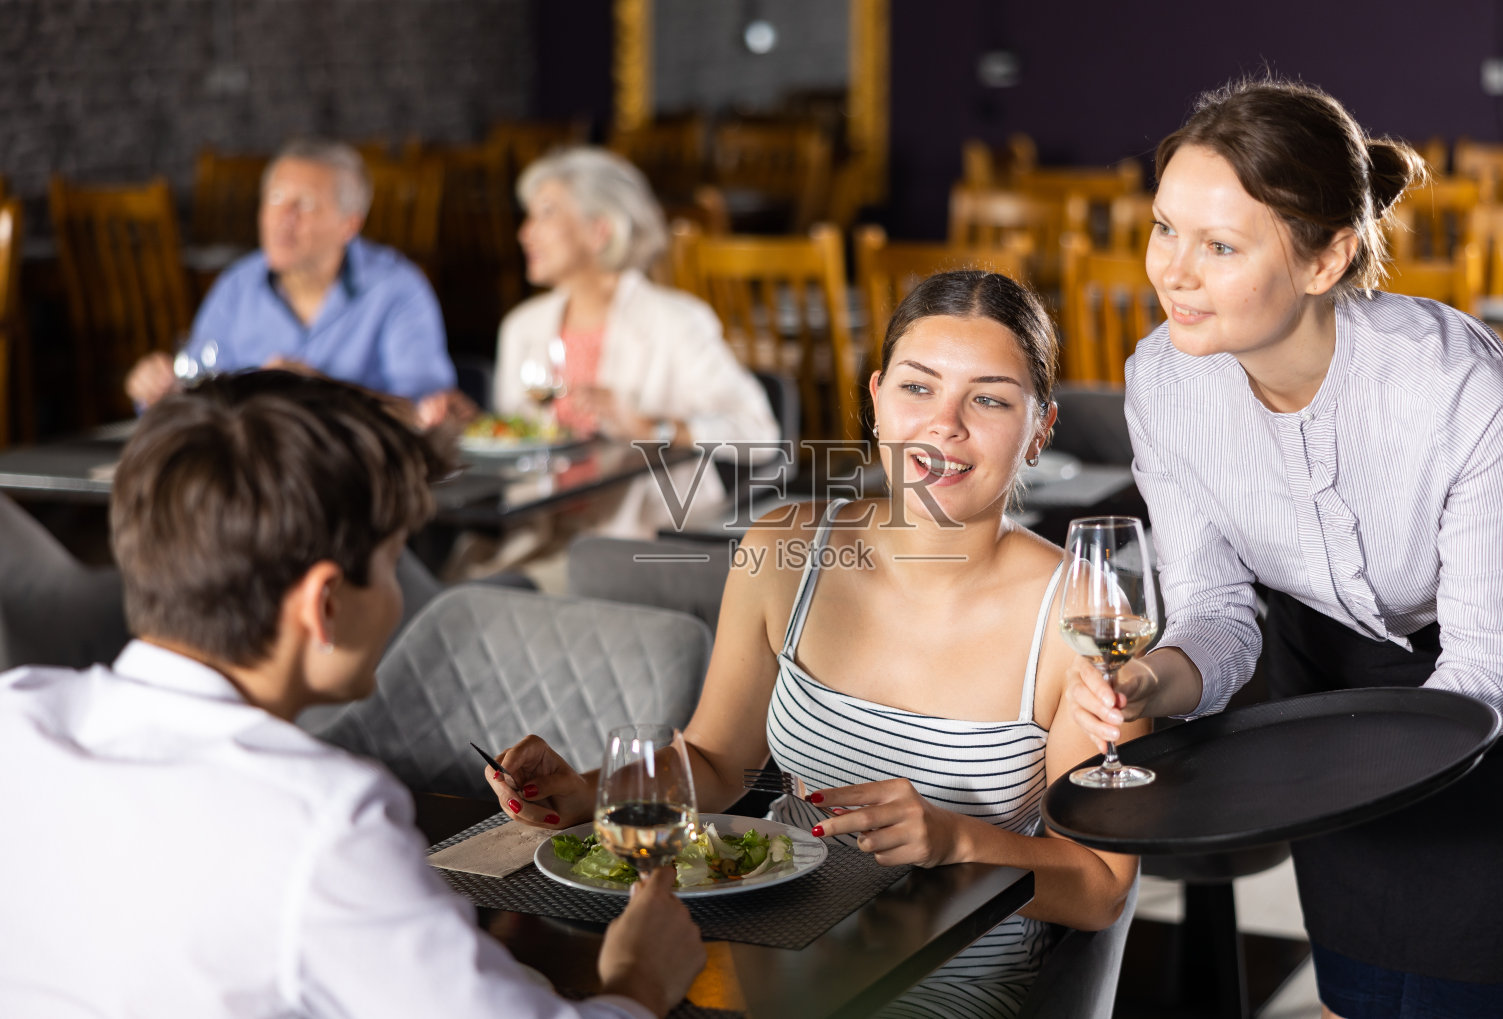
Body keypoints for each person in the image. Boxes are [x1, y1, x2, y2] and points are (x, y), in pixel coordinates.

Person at [1068, 78, 1503, 1019]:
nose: (1172, 272)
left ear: (1329, 260)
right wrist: (1156, 676)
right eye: (1164, 228)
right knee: (1356, 974)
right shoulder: (1163, 383)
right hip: (1336, 660)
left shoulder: (1449, 383)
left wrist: (1368, 772)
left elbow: (1482, 667)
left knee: (1468, 980)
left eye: (1220, 245)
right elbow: (1221, 616)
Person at [482, 271, 1144, 1017]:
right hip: (765, 962)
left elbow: (1101, 887)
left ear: (1040, 429)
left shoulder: (1082, 613)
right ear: (876, 399)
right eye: (917, 388)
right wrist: (590, 794)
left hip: (946, 985)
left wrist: (952, 839)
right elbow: (716, 762)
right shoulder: (785, 549)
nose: (944, 424)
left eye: (988, 398)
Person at [0, 371, 705, 1018]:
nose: (400, 593)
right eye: (394, 559)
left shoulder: (17, 718)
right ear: (325, 603)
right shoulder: (322, 826)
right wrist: (638, 980)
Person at [423, 146, 778, 548]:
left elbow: (760, 434)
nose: (525, 232)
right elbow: (529, 447)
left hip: (638, 542)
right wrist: (474, 428)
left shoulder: (676, 322)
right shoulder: (523, 326)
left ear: (599, 230)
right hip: (535, 536)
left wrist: (655, 428)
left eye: (545, 213)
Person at [125, 139, 457, 409]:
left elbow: (425, 413)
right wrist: (159, 387)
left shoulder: (396, 287)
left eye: (306, 204)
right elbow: (196, 388)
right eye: (276, 198)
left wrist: (319, 388)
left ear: (349, 225)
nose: (284, 217)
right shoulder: (237, 285)